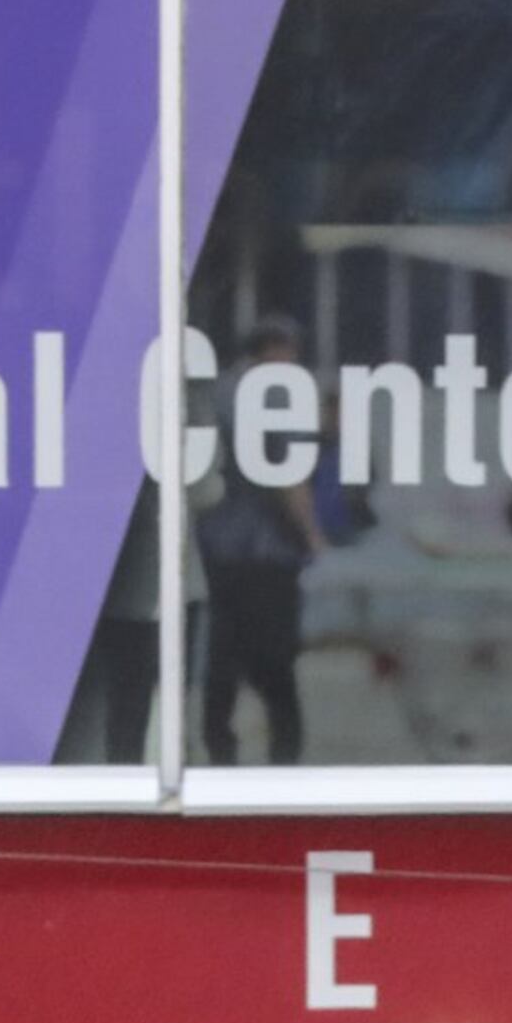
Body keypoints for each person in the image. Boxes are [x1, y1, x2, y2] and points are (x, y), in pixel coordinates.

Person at [196, 318, 323, 766]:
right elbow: (290, 479)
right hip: (267, 552)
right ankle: (284, 760)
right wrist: (312, 537)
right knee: (276, 663)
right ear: (275, 349)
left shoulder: (218, 391)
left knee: (221, 660)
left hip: (215, 546)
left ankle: (220, 752)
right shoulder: (276, 395)